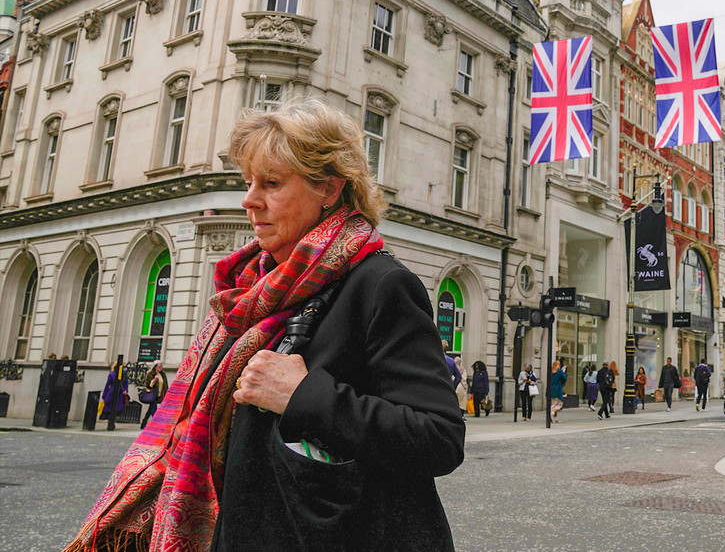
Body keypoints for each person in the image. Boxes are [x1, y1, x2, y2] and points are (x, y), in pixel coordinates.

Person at [66, 100, 464, 551]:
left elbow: (438, 438)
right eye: (249, 182)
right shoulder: (252, 291)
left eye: (271, 183)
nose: (250, 200)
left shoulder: (380, 284)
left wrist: (304, 396)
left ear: (329, 189)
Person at [139, 360, 168, 429]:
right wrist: (154, 380)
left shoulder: (163, 374)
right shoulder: (150, 374)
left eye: (161, 366)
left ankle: (144, 422)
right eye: (159, 366)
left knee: (150, 409)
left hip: (160, 394)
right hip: (153, 394)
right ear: (155, 367)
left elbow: (165, 385)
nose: (160, 368)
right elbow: (148, 386)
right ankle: (155, 424)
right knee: (154, 409)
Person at [99, 363, 128, 430]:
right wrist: (104, 395)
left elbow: (126, 384)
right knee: (110, 408)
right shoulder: (112, 375)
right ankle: (110, 424)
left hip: (120, 393)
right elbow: (107, 385)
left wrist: (126, 390)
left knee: (116, 409)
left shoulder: (124, 376)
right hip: (111, 393)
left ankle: (112, 423)